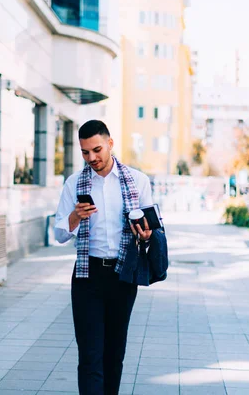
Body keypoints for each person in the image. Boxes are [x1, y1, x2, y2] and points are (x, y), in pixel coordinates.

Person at [54, 120, 154, 395]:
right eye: (85, 152)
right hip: (88, 276)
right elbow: (59, 234)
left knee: (114, 352)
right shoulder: (74, 183)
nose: (92, 158)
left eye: (96, 149)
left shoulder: (138, 181)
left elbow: (153, 229)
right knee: (89, 354)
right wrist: (74, 217)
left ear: (110, 143)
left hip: (123, 275)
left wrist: (146, 236)